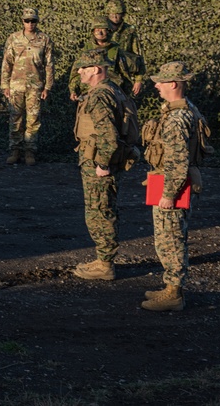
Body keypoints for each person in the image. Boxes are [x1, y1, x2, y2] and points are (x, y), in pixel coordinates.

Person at [140, 62, 209, 312]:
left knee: (170, 239)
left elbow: (178, 161)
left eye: (160, 82)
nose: (156, 86)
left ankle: (174, 294)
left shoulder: (177, 118)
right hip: (170, 179)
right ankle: (170, 287)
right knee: (171, 236)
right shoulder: (183, 109)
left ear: (173, 84)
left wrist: (169, 194)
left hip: (171, 183)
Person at [71, 49, 127, 281]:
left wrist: (102, 164)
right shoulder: (113, 90)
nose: (80, 72)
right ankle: (103, 259)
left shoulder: (99, 95)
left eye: (83, 68)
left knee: (98, 213)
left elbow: (109, 136)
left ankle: (105, 265)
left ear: (95, 69)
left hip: (99, 162)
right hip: (101, 159)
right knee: (104, 209)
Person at [0, 8, 55, 166]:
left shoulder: (44, 39)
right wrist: (5, 85)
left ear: (37, 21)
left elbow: (49, 65)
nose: (30, 23)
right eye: (27, 20)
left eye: (33, 20)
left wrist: (47, 87)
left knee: (33, 119)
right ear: (22, 21)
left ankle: (30, 151)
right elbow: (7, 63)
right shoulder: (14, 38)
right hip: (16, 86)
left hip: (35, 86)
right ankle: (15, 150)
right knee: (15, 118)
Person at [69, 16, 144, 99]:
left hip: (111, 93)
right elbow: (75, 73)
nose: (100, 32)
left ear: (108, 31)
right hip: (87, 93)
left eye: (103, 29)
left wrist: (138, 80)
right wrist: (73, 90)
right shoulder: (85, 51)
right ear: (93, 31)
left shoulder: (116, 51)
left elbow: (136, 64)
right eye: (97, 29)